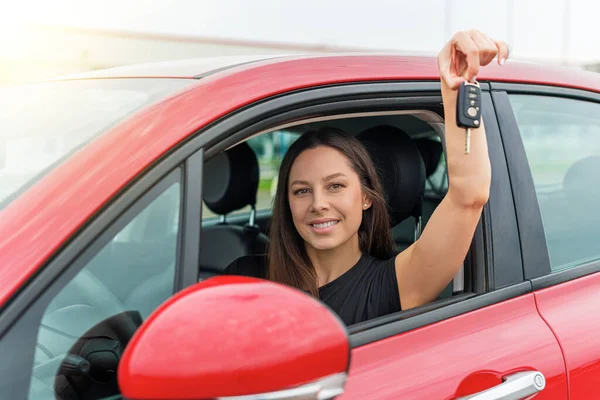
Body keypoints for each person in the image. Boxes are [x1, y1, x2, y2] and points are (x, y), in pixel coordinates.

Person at [225, 30, 509, 326]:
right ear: (287, 202)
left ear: (365, 197)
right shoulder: (247, 276)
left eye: (335, 186)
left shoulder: (391, 286)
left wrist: (458, 90)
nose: (318, 204)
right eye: (301, 191)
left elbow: (469, 195)